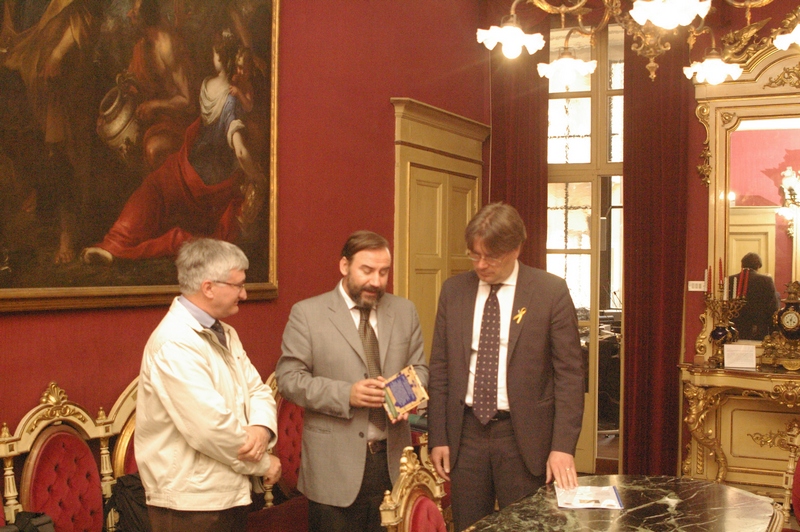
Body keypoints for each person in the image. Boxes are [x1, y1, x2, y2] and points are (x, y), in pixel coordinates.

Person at [427, 202, 586, 531]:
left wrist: (561, 447)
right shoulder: (453, 291)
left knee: (526, 526)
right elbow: (440, 368)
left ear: (515, 248)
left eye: (490, 257)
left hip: (524, 437)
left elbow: (569, 377)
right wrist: (438, 436)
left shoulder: (549, 292)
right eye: (474, 255)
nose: (481, 265)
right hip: (466, 435)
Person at [276, 230, 428, 532]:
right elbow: (289, 379)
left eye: (384, 272)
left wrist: (398, 394)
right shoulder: (308, 314)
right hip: (333, 467)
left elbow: (420, 370)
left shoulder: (404, 311)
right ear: (344, 266)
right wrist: (347, 394)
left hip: (392, 463)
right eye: (367, 271)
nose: (376, 281)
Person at [81, 29, 265, 264]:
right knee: (157, 186)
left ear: (219, 59)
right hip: (199, 171)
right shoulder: (230, 95)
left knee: (155, 187)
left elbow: (239, 149)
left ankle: (116, 243)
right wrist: (258, 176)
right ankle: (116, 246)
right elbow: (237, 147)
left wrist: (257, 178)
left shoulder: (210, 87)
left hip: (203, 177)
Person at [135, 238, 280, 532]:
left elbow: (258, 390)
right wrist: (263, 464)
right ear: (208, 287)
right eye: (238, 285)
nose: (245, 293)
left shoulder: (224, 331)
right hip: (190, 505)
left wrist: (261, 429)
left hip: (224, 493)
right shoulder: (175, 342)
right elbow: (210, 428)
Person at [124, 0, 195, 171]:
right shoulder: (142, 44)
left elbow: (187, 100)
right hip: (152, 116)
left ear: (147, 17)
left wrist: (154, 105)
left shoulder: (166, 46)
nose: (129, 15)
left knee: (153, 149)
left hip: (176, 119)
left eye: (134, 12)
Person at [730, 252, 781, 341]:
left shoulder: (731, 279)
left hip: (735, 325)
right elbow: (773, 306)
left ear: (742, 265)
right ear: (758, 266)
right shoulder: (766, 280)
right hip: (759, 326)